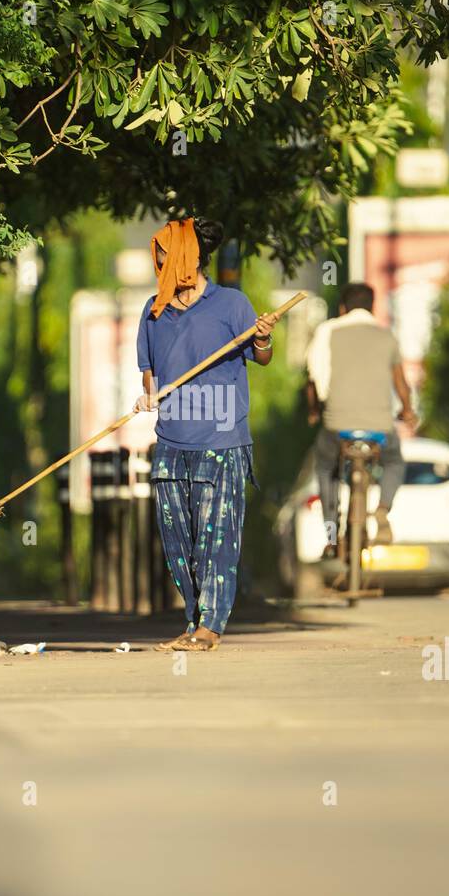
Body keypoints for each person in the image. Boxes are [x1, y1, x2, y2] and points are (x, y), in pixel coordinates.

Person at [134, 216, 278, 651]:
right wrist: (150, 397)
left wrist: (264, 339)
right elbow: (149, 373)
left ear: (187, 259)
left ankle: (210, 627)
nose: (158, 265)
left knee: (217, 539)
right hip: (172, 442)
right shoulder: (153, 311)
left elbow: (263, 356)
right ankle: (194, 617)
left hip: (222, 440)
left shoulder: (232, 305)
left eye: (164, 257)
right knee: (180, 543)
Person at [305, 282, 418, 553]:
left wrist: (313, 412)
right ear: (373, 307)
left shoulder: (328, 331)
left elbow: (312, 378)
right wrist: (407, 410)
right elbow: (401, 382)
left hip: (337, 426)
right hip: (379, 427)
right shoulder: (386, 336)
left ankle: (332, 537)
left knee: (325, 468)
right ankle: (382, 509)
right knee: (393, 460)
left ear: (343, 308)